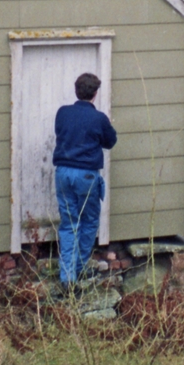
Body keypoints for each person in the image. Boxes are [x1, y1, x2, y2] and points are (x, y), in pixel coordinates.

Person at [53, 72, 117, 288]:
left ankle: (67, 278)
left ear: (76, 90)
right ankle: (79, 269)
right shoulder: (99, 118)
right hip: (86, 175)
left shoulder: (62, 113)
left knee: (69, 224)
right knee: (88, 221)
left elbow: (60, 133)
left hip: (62, 173)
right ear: (95, 93)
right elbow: (110, 142)